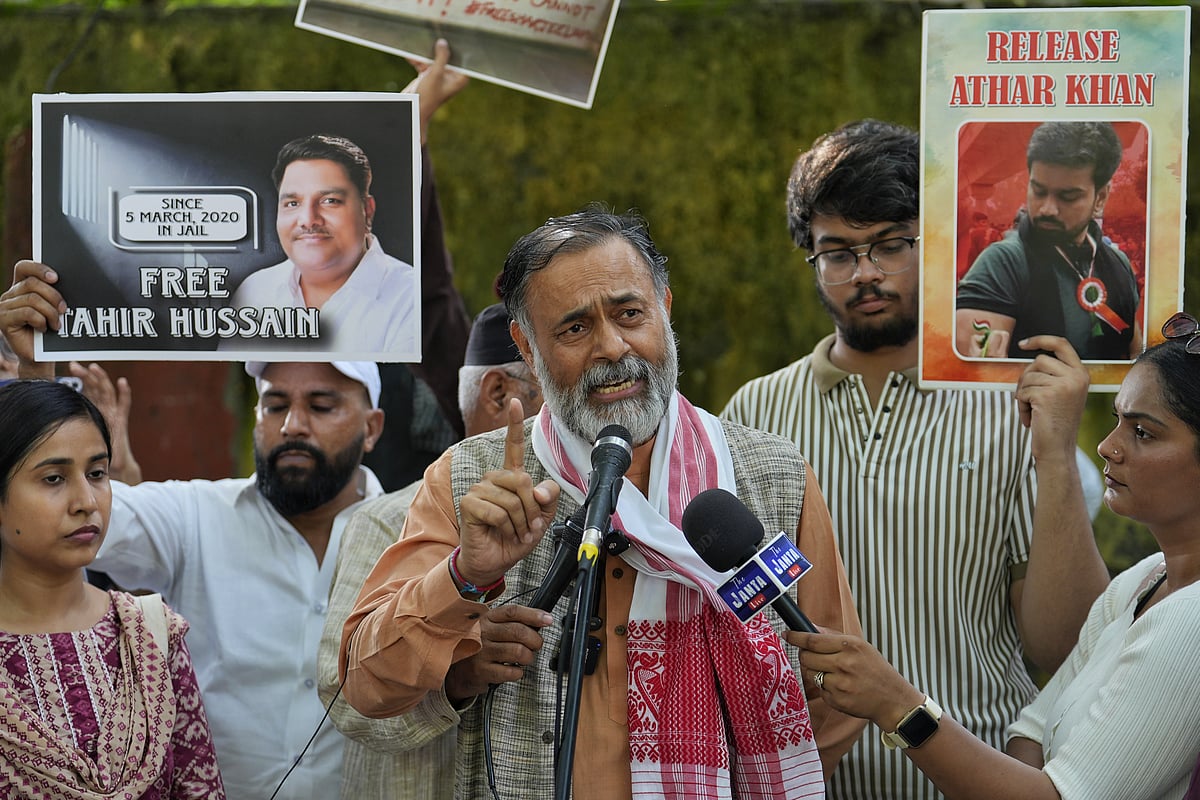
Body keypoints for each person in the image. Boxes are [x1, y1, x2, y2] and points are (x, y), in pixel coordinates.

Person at [339, 205, 865, 800]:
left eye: (630, 314)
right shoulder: (469, 481)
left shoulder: (773, 475)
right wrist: (467, 575)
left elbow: (835, 690)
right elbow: (364, 686)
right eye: (574, 328)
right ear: (527, 348)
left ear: (665, 308)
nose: (612, 348)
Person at [721, 119, 1110, 800]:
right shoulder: (752, 415)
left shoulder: (1008, 407)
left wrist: (1054, 452)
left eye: (891, 245)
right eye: (837, 253)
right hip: (809, 785)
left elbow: (1065, 646)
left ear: (935, 244)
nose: (866, 273)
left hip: (981, 781)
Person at [791, 320, 1200, 800]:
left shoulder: (1189, 619)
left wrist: (897, 704)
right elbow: (1029, 732)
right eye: (1117, 421)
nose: (1108, 446)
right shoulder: (1142, 581)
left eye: (1143, 433)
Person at [316, 302, 543, 800]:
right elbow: (341, 697)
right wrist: (454, 674)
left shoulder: (586, 512)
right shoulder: (387, 519)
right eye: (556, 386)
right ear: (499, 392)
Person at [0, 379, 224, 799]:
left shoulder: (150, 634)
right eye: (53, 478)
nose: (86, 501)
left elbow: (199, 788)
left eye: (97, 474)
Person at [956, 121, 1142, 360]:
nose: (1047, 209)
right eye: (1039, 191)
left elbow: (1136, 354)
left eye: (1068, 197)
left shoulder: (1119, 263)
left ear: (1100, 198)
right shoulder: (1003, 262)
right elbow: (972, 369)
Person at [229, 130, 420, 356]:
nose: (308, 220)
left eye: (330, 201)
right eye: (292, 203)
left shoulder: (412, 297)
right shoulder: (255, 290)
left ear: (367, 212)